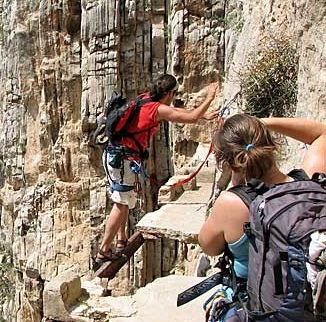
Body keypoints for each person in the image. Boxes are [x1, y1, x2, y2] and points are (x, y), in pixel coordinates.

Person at [94, 74, 218, 268]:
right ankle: (103, 251)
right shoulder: (156, 109)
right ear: (169, 93)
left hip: (116, 156)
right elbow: (188, 118)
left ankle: (121, 239)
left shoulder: (145, 99)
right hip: (123, 160)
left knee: (124, 199)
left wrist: (203, 114)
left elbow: (175, 111)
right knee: (120, 203)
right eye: (174, 93)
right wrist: (210, 98)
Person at [199, 114, 326, 277]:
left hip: (260, 301)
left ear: (232, 165)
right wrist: (262, 123)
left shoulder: (230, 204)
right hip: (312, 294)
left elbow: (209, 246)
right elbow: (321, 133)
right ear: (272, 145)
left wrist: (237, 189)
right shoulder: (311, 182)